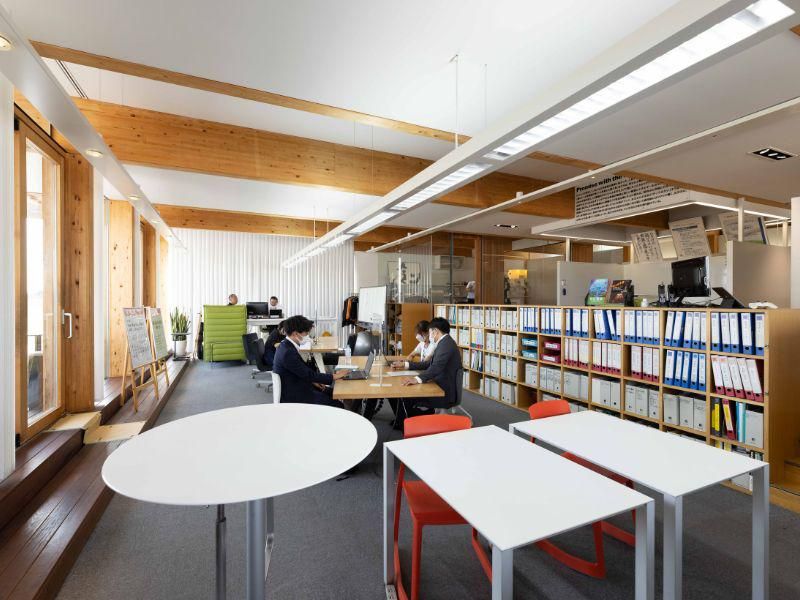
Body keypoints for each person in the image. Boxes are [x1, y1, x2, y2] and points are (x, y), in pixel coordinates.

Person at [392, 316, 462, 425]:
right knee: (405, 393)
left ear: (435, 331)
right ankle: (406, 421)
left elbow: (436, 367)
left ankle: (408, 424)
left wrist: (416, 379)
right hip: (439, 384)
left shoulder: (446, 345)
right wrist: (405, 365)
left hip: (443, 392)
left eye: (429, 332)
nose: (429, 336)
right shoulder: (444, 342)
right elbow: (429, 364)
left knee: (406, 395)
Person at [272, 315, 347, 407]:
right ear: (295, 334)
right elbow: (308, 374)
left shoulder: (286, 346)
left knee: (332, 392)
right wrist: (334, 376)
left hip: (298, 384)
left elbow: (303, 371)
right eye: (306, 333)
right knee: (338, 405)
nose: (308, 336)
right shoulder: (288, 352)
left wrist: (314, 381)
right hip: (295, 395)